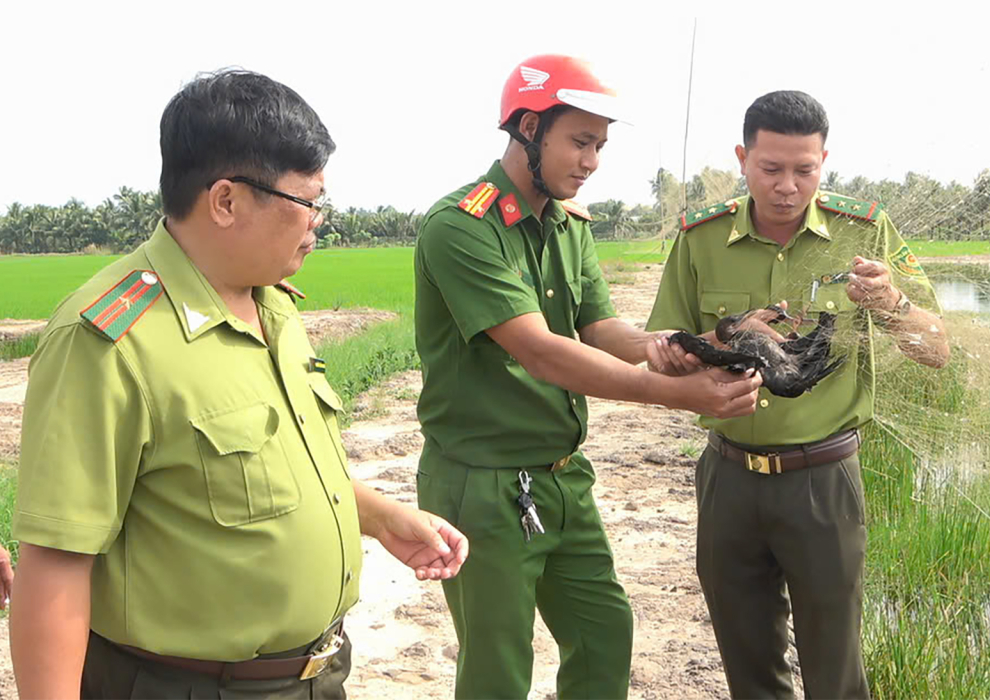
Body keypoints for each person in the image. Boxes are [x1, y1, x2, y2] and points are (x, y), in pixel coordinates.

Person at [10, 69, 468, 700]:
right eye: (307, 203)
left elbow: (277, 472)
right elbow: (54, 566)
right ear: (225, 201)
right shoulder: (110, 343)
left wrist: (382, 518)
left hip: (316, 677)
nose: (320, 224)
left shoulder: (272, 305)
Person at [413, 54, 763, 699]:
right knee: (498, 666)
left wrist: (686, 347)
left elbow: (603, 330)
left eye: (599, 145)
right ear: (526, 128)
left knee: (603, 633)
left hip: (561, 476)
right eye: (579, 141)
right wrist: (669, 394)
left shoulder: (569, 226)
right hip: (482, 482)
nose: (592, 161)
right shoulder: (461, 227)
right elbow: (540, 350)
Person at [646, 90, 950, 699]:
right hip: (726, 478)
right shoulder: (700, 239)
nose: (788, 186)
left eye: (805, 170)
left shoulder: (863, 231)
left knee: (834, 669)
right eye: (771, 169)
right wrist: (705, 345)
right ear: (742, 158)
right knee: (747, 664)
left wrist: (890, 302)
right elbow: (661, 353)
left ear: (824, 161)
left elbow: (935, 349)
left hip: (822, 482)